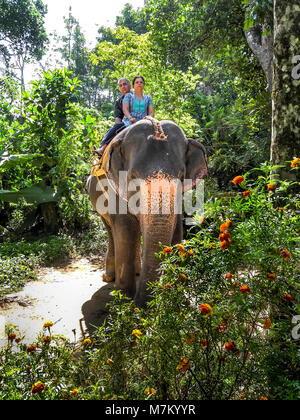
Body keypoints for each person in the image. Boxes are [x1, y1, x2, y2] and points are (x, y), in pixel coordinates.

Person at [94, 78, 131, 155]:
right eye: (120, 85)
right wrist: (118, 127)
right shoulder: (119, 101)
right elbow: (118, 117)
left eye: (125, 84)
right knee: (112, 130)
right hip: (125, 124)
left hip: (138, 120)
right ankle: (103, 148)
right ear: (119, 88)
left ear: (130, 86)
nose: (123, 86)